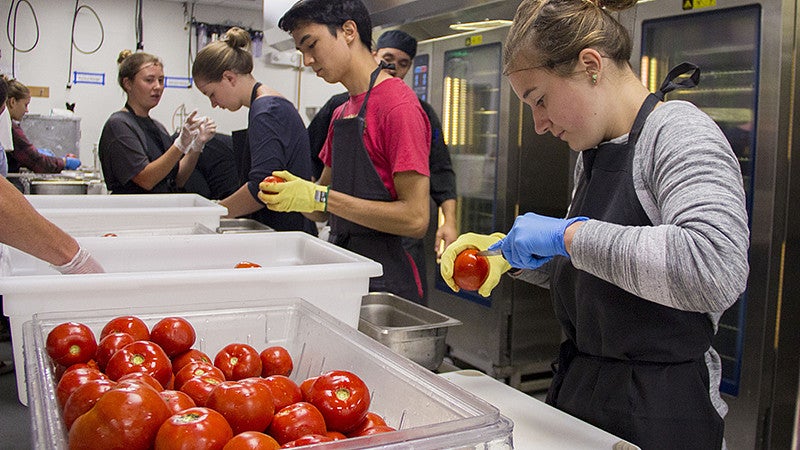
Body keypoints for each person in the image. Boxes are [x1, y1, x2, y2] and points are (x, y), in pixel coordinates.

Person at [439, 0, 750, 447]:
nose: (539, 124)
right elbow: (603, 269)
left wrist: (566, 234)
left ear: (590, 65)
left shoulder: (679, 133)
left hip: (662, 414)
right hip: (585, 396)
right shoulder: (594, 152)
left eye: (539, 100)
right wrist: (514, 257)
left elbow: (714, 268)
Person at [264, 0, 431, 303]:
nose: (307, 60)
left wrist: (319, 197)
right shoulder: (342, 112)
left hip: (388, 284)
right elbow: (319, 207)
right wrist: (293, 193)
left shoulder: (399, 106)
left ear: (349, 31)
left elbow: (416, 218)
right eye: (301, 51)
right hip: (348, 272)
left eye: (311, 44)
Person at [305, 30, 458, 304]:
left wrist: (450, 221)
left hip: (395, 248)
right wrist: (304, 193)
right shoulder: (339, 108)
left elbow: (440, 170)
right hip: (343, 250)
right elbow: (318, 165)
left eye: (403, 63)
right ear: (375, 54)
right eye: (389, 58)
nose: (395, 68)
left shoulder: (406, 109)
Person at [191, 27, 317, 235]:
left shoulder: (266, 112)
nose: (214, 103)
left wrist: (214, 212)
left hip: (286, 231)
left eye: (211, 94)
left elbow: (262, 187)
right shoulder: (267, 105)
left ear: (229, 78)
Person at [99, 50, 216, 194]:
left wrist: (196, 146)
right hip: (135, 212)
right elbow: (146, 180)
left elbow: (177, 179)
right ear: (128, 84)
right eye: (149, 80)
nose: (158, 87)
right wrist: (180, 145)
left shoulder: (157, 127)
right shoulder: (119, 125)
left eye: (161, 80)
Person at [4, 77, 81, 187]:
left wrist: (38, 153)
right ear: (12, 102)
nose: (27, 110)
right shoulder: (11, 128)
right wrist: (64, 162)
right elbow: (38, 162)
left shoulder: (7, 125)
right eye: (25, 105)